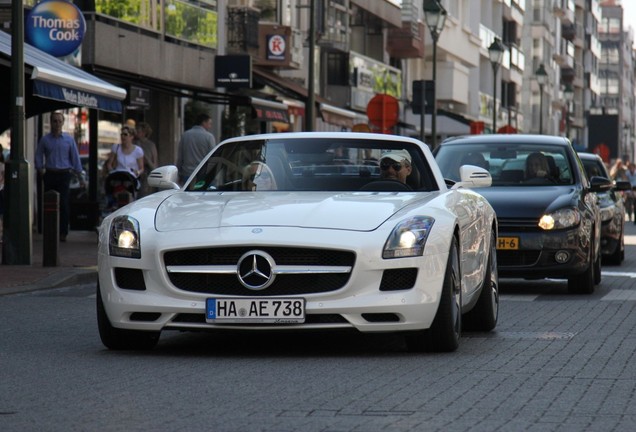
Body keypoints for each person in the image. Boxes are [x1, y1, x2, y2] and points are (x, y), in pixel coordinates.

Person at [35, 112, 85, 242]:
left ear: (63, 123)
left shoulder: (69, 140)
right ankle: (49, 230)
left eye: (59, 121)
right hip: (50, 174)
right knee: (49, 203)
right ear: (51, 122)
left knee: (63, 203)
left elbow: (75, 159)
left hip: (64, 174)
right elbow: (39, 156)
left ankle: (63, 232)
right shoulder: (45, 140)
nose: (57, 124)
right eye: (55, 121)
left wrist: (80, 178)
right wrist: (41, 171)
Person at [176, 113, 216, 184]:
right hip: (204, 174)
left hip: (187, 174)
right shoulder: (209, 137)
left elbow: (180, 157)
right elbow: (213, 157)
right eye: (209, 123)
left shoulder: (185, 135)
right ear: (203, 122)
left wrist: (178, 173)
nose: (210, 126)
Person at [135, 122, 158, 197]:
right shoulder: (134, 143)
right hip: (135, 171)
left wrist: (147, 159)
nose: (137, 133)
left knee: (144, 193)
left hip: (147, 172)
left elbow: (154, 164)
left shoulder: (151, 145)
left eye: (139, 131)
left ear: (144, 133)